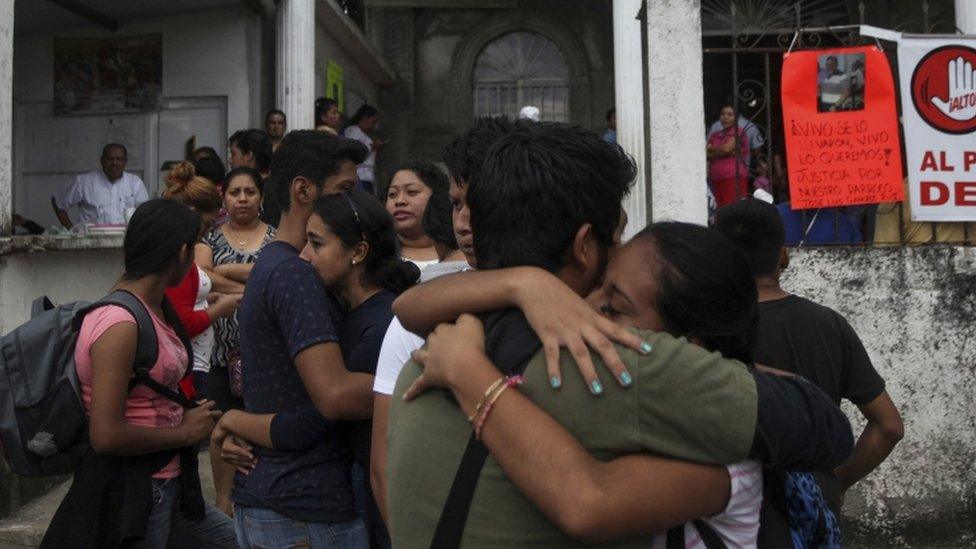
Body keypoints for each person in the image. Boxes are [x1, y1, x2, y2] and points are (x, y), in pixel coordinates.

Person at [383, 122, 854, 547]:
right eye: (617, 236)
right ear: (585, 244)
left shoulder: (430, 355)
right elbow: (825, 429)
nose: (619, 252)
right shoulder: (613, 363)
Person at [405, 222, 767, 547]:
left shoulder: (730, 462)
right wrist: (525, 285)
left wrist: (465, 369)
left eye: (613, 307)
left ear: (690, 349)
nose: (581, 307)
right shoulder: (626, 404)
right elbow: (409, 306)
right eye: (596, 286)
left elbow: (585, 503)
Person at [213, 190, 418, 549]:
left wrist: (234, 422)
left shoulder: (383, 323)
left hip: (377, 503)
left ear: (358, 252)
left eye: (317, 244)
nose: (304, 257)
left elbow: (318, 416)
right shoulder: (343, 308)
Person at [42, 199, 236, 548]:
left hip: (171, 484)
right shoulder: (119, 323)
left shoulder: (153, 305)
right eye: (193, 250)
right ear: (181, 252)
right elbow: (106, 435)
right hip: (141, 490)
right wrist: (183, 433)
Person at [217, 131, 371, 548]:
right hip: (303, 508)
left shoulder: (276, 264)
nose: (352, 206)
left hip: (283, 499)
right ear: (303, 190)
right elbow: (335, 395)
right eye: (343, 192)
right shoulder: (293, 274)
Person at [715, 198, 904, 513]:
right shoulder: (830, 324)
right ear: (784, 256)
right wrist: (837, 482)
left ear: (718, 260)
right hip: (814, 510)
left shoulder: (704, 330)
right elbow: (889, 426)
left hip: (732, 512)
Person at [196, 166, 276, 515]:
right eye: (234, 193)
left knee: (262, 426)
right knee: (222, 427)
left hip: (269, 355)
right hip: (220, 354)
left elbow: (280, 277)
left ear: (261, 197)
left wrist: (225, 272)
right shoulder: (208, 240)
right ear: (224, 199)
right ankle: (224, 502)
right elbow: (202, 280)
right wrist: (254, 283)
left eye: (250, 192)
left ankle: (262, 498)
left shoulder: (278, 238)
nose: (242, 198)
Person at [160, 162, 241, 399]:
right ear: (192, 213)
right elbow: (182, 323)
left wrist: (208, 297)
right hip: (188, 363)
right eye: (206, 224)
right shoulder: (180, 256)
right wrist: (219, 310)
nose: (206, 232)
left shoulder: (184, 250)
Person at [52, 143, 148, 228]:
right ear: (101, 161)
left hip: (125, 241)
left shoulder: (135, 183)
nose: (114, 163)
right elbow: (58, 203)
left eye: (119, 159)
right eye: (109, 159)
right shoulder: (83, 182)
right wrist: (71, 231)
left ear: (125, 162)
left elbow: (145, 214)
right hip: (90, 242)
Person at [384, 160, 447, 269]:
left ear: (437, 197)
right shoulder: (377, 256)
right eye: (392, 194)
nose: (400, 201)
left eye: (411, 192)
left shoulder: (464, 253)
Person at [228, 129, 278, 227]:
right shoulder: (277, 186)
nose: (230, 161)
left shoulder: (267, 192)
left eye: (234, 154)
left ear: (248, 155)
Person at [707, 105, 750, 208]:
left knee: (733, 208)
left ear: (737, 118)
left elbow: (726, 149)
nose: (725, 117)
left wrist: (713, 149)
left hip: (733, 177)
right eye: (723, 114)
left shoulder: (738, 132)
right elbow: (707, 152)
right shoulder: (715, 135)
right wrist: (724, 152)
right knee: (720, 207)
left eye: (730, 115)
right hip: (717, 178)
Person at [343, 105, 385, 195]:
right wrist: (372, 147)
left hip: (368, 175)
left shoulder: (364, 135)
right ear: (365, 117)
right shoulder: (352, 131)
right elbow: (355, 150)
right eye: (373, 122)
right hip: (359, 174)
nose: (373, 126)